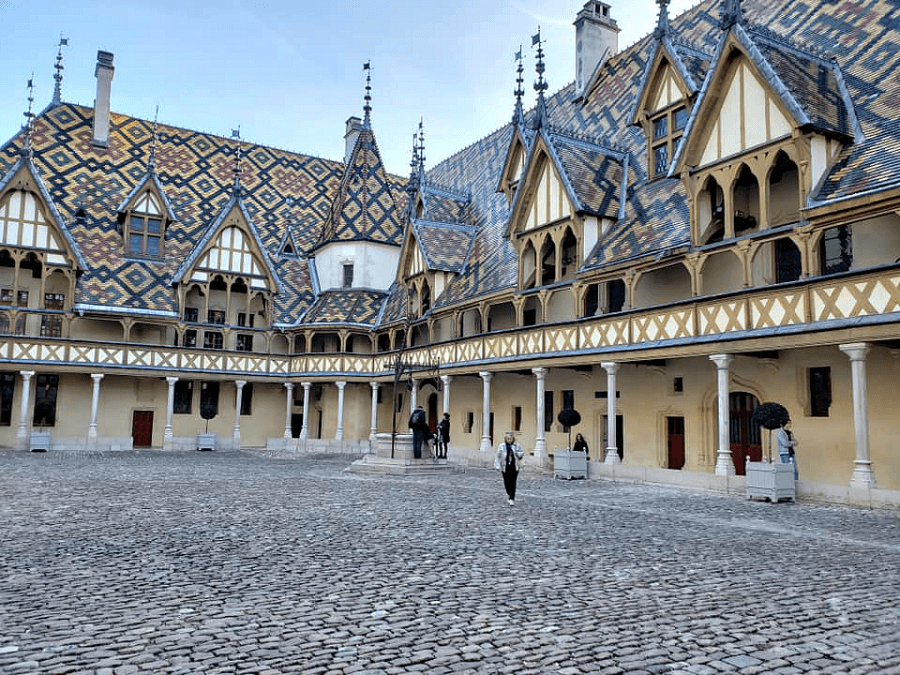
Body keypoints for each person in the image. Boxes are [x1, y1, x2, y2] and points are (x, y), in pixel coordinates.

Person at [494, 430, 524, 505]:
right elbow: (498, 456)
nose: (509, 440)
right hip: (505, 466)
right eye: (508, 438)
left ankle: (511, 498)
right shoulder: (502, 446)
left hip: (514, 466)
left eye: (510, 438)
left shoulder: (516, 445)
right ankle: (509, 492)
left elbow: (521, 454)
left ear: (513, 439)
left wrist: (517, 452)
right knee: (507, 482)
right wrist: (497, 465)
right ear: (505, 439)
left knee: (513, 482)